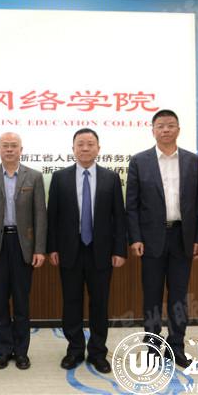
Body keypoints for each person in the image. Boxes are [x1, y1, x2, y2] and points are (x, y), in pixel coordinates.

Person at [126, 109, 198, 368]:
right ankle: (152, 347)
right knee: (151, 296)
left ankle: (176, 347)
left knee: (179, 296)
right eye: (160, 126)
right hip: (151, 239)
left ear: (178, 130)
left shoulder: (193, 161)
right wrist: (135, 238)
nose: (166, 130)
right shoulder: (139, 161)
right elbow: (132, 206)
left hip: (183, 237)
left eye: (170, 125)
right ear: (153, 131)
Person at [47, 128, 127, 374]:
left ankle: (97, 352)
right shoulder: (59, 178)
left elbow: (119, 217)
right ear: (73, 148)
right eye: (80, 144)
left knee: (99, 303)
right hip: (69, 250)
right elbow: (53, 217)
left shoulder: (111, 178)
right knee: (71, 302)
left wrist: (119, 250)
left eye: (90, 144)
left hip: (101, 251)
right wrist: (52, 248)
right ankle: (74, 350)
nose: (85, 148)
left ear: (98, 149)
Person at [0, 132, 47, 370]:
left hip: (23, 245)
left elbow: (40, 215)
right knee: (0, 302)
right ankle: (4, 351)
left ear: (21, 150)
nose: (9, 149)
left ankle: (22, 351)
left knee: (21, 301)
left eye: (13, 146)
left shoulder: (34, 177)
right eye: (5, 146)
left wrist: (39, 249)